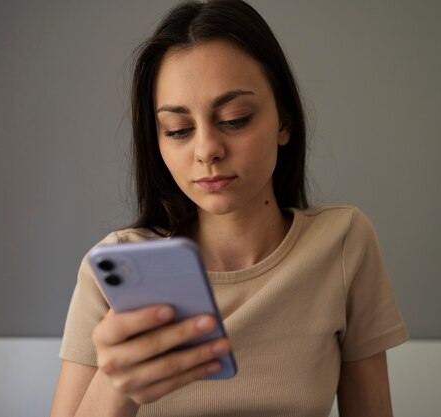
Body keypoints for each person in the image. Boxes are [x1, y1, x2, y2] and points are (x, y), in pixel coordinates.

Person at [50, 1, 409, 416]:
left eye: (235, 119)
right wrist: (116, 388)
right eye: (179, 130)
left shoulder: (344, 243)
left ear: (284, 122)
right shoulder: (114, 271)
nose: (207, 151)